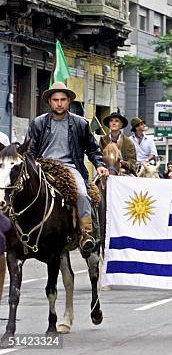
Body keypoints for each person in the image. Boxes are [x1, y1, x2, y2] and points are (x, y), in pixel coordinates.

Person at [26, 82, 109, 253]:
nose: (59, 103)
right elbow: (29, 151)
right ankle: (20, 233)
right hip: (42, 166)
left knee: (82, 194)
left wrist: (99, 165)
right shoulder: (38, 123)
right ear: (49, 101)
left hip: (70, 168)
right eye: (55, 99)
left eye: (63, 99)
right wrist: (32, 163)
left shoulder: (80, 124)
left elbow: (93, 149)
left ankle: (86, 233)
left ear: (69, 101)